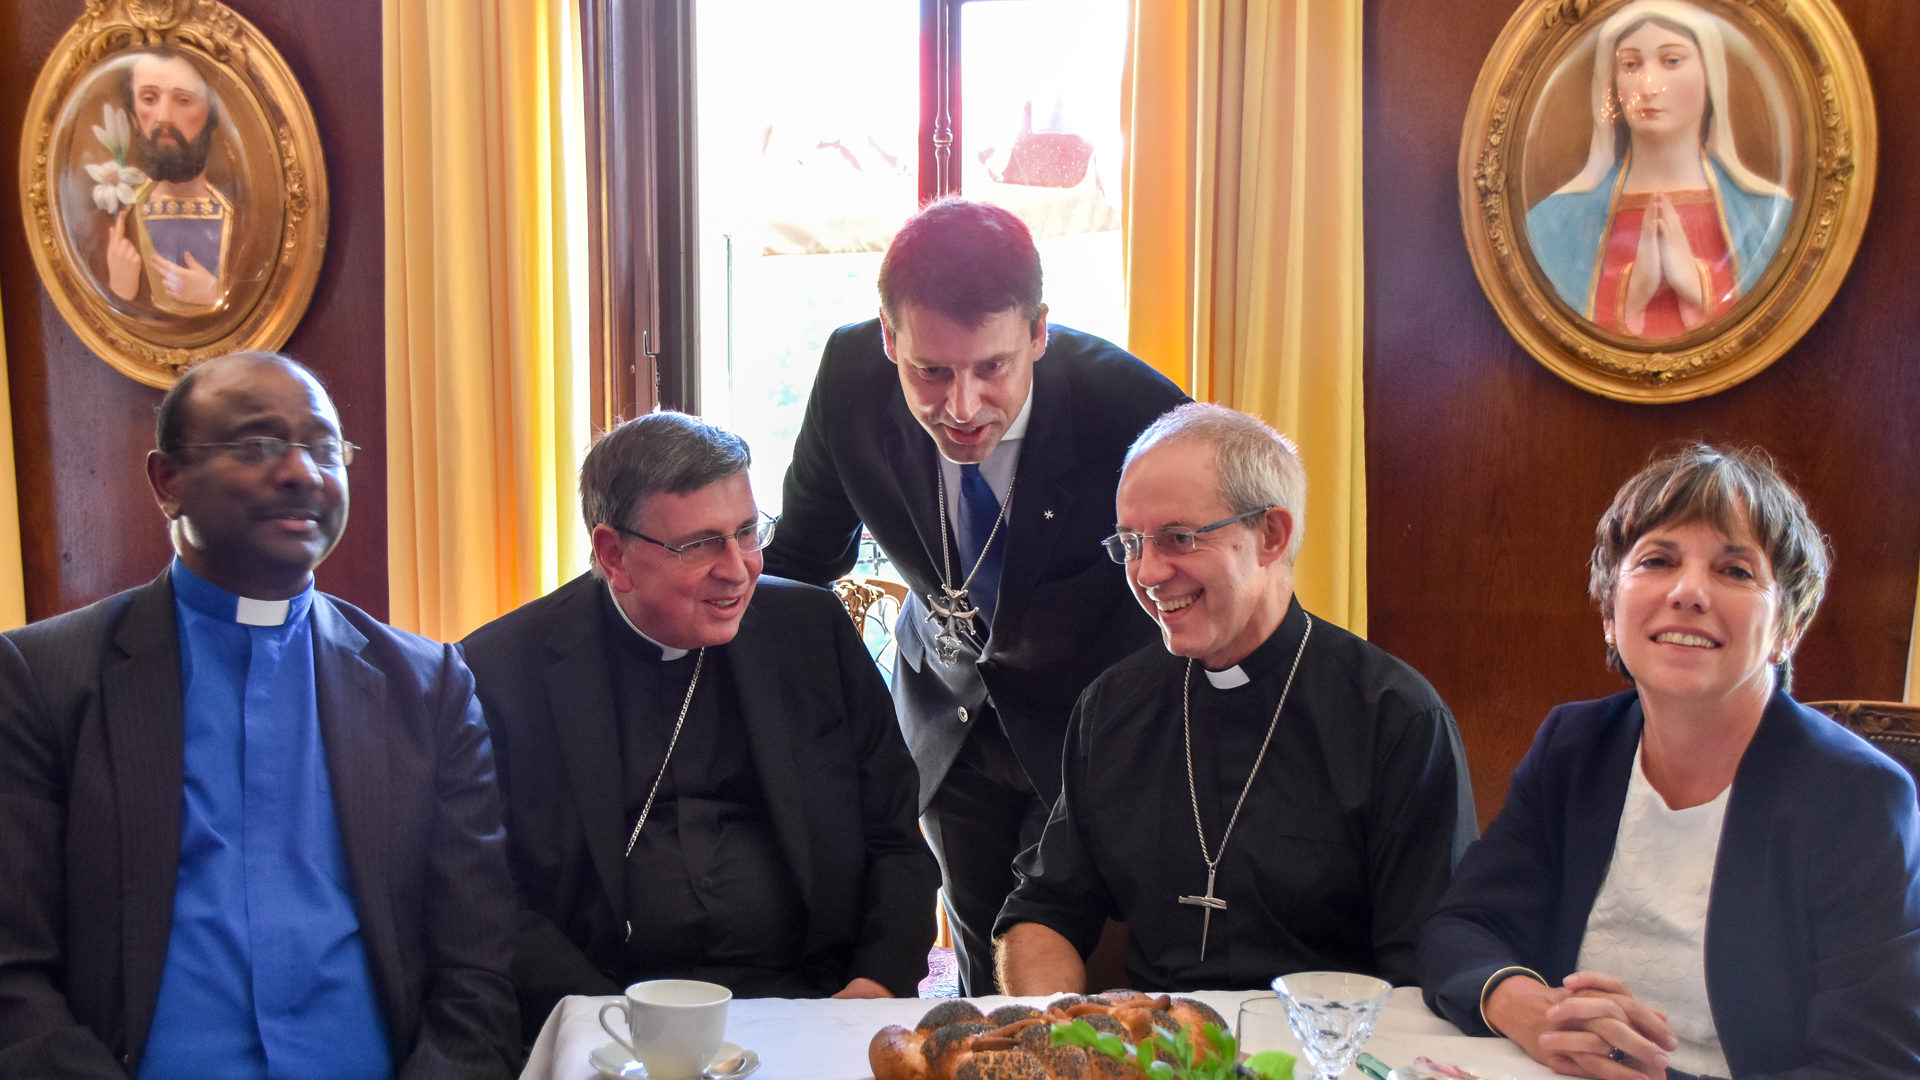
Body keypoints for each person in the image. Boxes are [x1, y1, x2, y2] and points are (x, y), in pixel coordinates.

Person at [0, 352, 518, 1079]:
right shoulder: (42, 678)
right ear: (168, 481)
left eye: (326, 448)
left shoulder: (426, 687)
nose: (303, 472)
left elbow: (478, 967)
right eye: (258, 445)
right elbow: (11, 975)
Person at [762, 197, 1189, 994]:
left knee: (1064, 987)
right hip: (946, 718)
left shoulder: (1135, 411)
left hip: (1087, 730)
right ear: (889, 338)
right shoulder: (851, 379)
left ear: (1038, 333)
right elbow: (800, 564)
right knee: (977, 976)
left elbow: (1197, 589)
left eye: (992, 367)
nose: (960, 407)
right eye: (930, 371)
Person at [1418, 445, 1920, 1080]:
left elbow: (1873, 1066)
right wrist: (1533, 1011)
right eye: (1658, 560)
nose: (1688, 593)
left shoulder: (1857, 795)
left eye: (1735, 571)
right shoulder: (1576, 744)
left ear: (1789, 627)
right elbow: (1462, 927)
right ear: (1609, 611)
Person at [460, 412, 937, 1042]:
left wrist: (873, 986)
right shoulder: (500, 669)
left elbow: (896, 835)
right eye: (700, 544)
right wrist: (600, 1025)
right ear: (613, 554)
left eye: (745, 532)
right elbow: (489, 895)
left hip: (812, 998)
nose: (738, 569)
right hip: (602, 1015)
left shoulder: (811, 632)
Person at [994, 403, 1476, 993]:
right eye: (1130, 543)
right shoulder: (1111, 707)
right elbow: (1045, 910)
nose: (1145, 573)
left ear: (1271, 535)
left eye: (1177, 538)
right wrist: (1058, 1037)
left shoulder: (1396, 719)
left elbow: (1427, 964)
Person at [1525, 0, 1791, 338]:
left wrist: (1697, 287)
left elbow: (1769, 329)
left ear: (1710, 75)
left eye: (1672, 61)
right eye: (1631, 64)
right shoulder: (1555, 223)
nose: (1648, 87)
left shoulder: (1766, 216)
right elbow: (1560, 332)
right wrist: (1633, 292)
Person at [103, 49, 233, 314]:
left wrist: (214, 293)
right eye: (149, 99)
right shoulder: (122, 217)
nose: (163, 116)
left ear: (211, 114)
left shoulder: (242, 213)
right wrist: (122, 288)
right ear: (133, 118)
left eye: (183, 100)